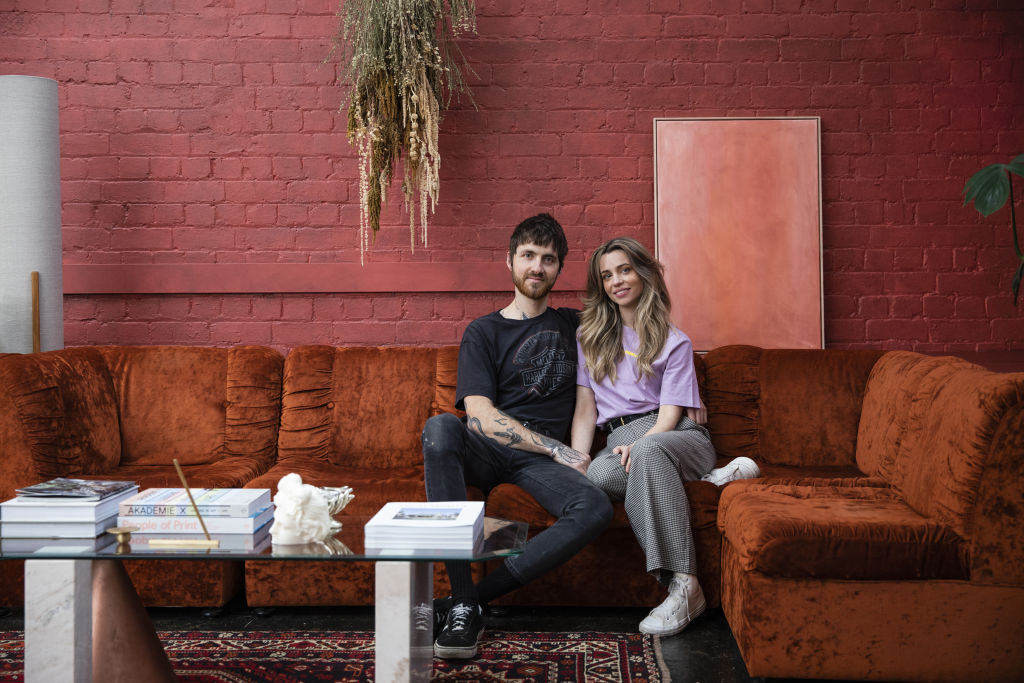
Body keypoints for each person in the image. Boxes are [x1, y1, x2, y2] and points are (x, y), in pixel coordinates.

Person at [421, 213, 613, 659]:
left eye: (548, 259)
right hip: (489, 449)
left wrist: (678, 395)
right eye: (528, 255)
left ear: (559, 269)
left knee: (594, 507)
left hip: (537, 465)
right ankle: (464, 599)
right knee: (440, 427)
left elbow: (638, 325)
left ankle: (466, 604)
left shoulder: (576, 325)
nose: (537, 267)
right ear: (510, 261)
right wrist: (556, 447)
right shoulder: (483, 331)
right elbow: (481, 416)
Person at [571, 237, 758, 637]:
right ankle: (713, 481)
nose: (617, 281)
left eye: (624, 269)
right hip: (619, 438)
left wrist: (641, 444)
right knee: (598, 478)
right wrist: (577, 459)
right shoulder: (589, 338)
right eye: (606, 275)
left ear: (642, 272)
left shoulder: (674, 340)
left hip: (675, 434)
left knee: (650, 453)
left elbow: (671, 413)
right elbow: (586, 410)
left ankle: (685, 585)